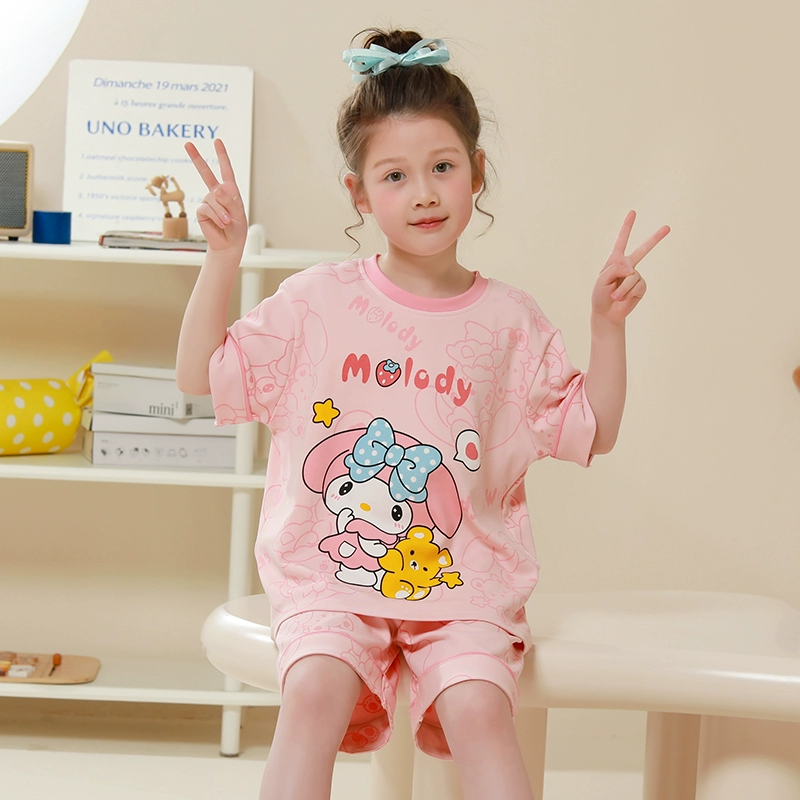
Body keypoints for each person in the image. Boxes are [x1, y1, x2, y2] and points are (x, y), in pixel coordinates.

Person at [176, 28, 669, 800]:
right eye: (396, 175)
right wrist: (222, 259)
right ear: (360, 193)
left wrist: (608, 327)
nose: (425, 193)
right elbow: (197, 376)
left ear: (477, 172)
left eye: (443, 167)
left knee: (479, 711)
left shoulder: (511, 322)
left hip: (464, 585)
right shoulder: (315, 302)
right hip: (330, 578)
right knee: (313, 693)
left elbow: (593, 430)